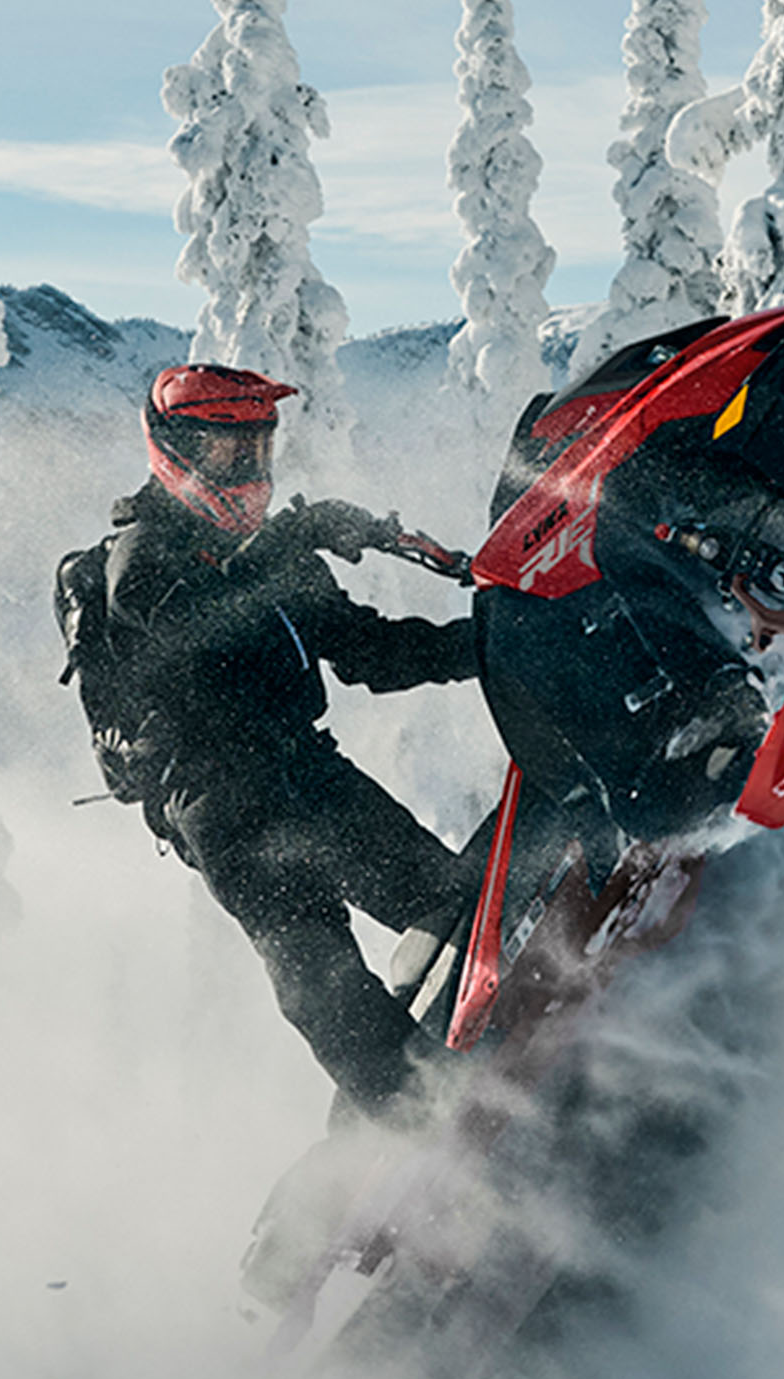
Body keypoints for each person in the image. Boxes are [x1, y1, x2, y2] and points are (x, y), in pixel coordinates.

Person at [52, 365, 479, 1115]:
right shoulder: (140, 557)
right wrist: (295, 537)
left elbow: (368, 651)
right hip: (222, 801)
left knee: (448, 899)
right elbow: (202, 630)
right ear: (175, 451)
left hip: (305, 768)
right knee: (324, 980)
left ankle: (512, 1041)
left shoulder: (271, 558)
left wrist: (490, 642)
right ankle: (425, 1130)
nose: (250, 471)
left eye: (259, 450)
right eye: (227, 454)